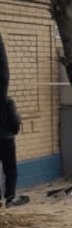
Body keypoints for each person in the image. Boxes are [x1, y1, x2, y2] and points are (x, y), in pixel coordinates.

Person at [0, 32, 27, 207]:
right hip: (6, 139)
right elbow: (15, 122)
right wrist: (13, 131)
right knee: (11, 169)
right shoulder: (7, 101)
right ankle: (10, 198)